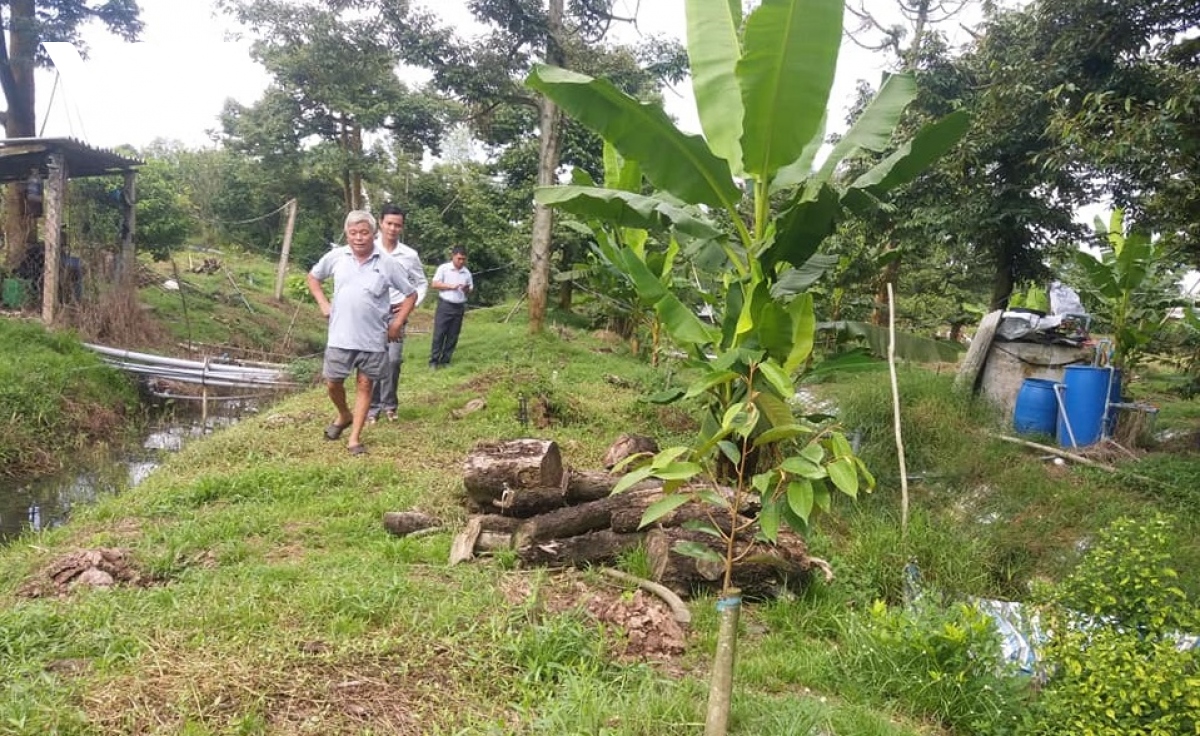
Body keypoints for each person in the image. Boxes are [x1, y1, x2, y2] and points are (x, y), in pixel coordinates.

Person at [307, 210, 417, 455]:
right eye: (353, 233)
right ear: (346, 233)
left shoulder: (387, 263)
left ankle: (354, 439)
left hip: (373, 337)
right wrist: (324, 304)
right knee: (332, 383)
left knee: (365, 385)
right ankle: (344, 414)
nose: (359, 238)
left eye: (364, 232)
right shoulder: (336, 257)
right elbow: (313, 278)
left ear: (373, 233)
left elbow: (411, 294)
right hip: (340, 335)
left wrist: (397, 324)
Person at [367, 203, 428, 423]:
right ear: (380, 223)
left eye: (398, 225)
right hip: (371, 314)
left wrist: (408, 305)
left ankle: (390, 405)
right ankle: (371, 409)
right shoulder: (368, 249)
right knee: (373, 360)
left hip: (396, 315)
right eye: (389, 223)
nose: (393, 229)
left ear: (402, 228)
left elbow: (421, 284)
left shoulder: (409, 255)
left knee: (393, 360)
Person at [428, 246, 473, 369]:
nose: (461, 261)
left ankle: (446, 360)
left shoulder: (467, 272)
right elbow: (434, 283)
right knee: (439, 333)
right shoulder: (444, 269)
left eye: (463, 259)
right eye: (459, 258)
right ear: (453, 256)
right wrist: (450, 286)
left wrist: (466, 289)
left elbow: (470, 290)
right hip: (445, 305)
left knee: (453, 335)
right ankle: (434, 361)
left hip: (459, 306)